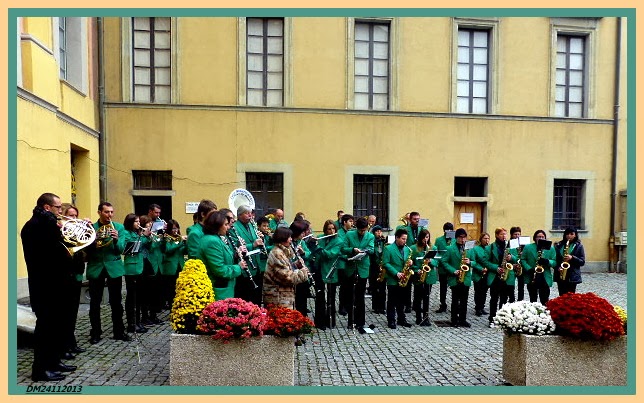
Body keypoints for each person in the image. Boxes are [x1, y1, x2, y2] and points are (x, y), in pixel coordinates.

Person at [21, 193, 76, 381]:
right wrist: (64, 233)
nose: (61, 211)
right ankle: (40, 370)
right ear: (47, 207)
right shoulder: (39, 226)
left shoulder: (44, 225)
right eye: (58, 208)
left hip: (54, 284)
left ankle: (53, 361)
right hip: (46, 286)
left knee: (56, 327)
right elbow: (56, 254)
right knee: (46, 328)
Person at [85, 202, 131, 344]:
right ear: (99, 212)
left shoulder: (119, 227)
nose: (109, 215)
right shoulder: (92, 228)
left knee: (116, 302)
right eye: (106, 212)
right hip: (96, 267)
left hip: (114, 268)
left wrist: (116, 240)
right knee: (95, 303)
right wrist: (95, 240)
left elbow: (122, 249)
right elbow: (87, 250)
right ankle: (95, 333)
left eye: (111, 212)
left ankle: (119, 331)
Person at [60, 204, 87, 358]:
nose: (74, 219)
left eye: (76, 216)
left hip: (77, 275)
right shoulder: (62, 232)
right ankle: (65, 345)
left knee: (73, 313)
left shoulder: (75, 232)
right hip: (66, 277)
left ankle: (71, 343)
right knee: (66, 314)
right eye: (70, 215)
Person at [198, 210, 245, 300]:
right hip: (218, 290)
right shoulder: (212, 241)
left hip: (224, 287)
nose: (228, 227)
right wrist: (238, 267)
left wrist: (235, 255)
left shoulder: (217, 238)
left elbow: (224, 258)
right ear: (217, 226)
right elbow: (219, 270)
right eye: (225, 225)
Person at [340, 217, 375, 333]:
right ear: (357, 228)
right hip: (351, 268)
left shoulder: (370, 236)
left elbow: (372, 249)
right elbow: (343, 249)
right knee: (350, 296)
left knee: (360, 296)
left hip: (363, 268)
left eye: (364, 230)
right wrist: (353, 250)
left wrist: (364, 251)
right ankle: (351, 321)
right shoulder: (349, 234)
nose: (362, 232)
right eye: (360, 230)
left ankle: (360, 322)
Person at [263, 227, 310, 309]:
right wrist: (303, 272)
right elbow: (287, 278)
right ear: (283, 238)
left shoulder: (282, 252)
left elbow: (285, 268)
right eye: (289, 237)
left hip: (282, 297)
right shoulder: (277, 254)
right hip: (277, 298)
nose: (291, 239)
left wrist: (295, 265)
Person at [311, 220, 342, 330]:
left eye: (333, 229)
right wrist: (313, 244)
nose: (331, 231)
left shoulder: (338, 241)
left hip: (330, 271)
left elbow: (331, 254)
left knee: (331, 297)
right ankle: (319, 322)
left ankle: (330, 321)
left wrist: (319, 249)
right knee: (320, 297)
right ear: (325, 230)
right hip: (319, 269)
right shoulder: (320, 238)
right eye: (329, 229)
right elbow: (314, 252)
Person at [381, 228, 414, 329]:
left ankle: (401, 319)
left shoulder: (407, 249)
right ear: (397, 238)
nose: (405, 241)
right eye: (403, 239)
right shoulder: (388, 248)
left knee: (402, 301)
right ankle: (391, 320)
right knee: (392, 301)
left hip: (404, 278)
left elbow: (407, 261)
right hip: (393, 278)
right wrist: (396, 273)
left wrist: (410, 263)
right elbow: (385, 263)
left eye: (406, 239)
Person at [122, 213, 148, 334]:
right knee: (131, 297)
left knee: (139, 297)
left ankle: (138, 321)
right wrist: (143, 236)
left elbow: (146, 246)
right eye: (136, 222)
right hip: (131, 269)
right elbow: (130, 246)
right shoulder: (127, 233)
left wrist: (148, 238)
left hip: (140, 267)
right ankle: (131, 323)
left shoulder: (137, 234)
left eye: (138, 221)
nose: (138, 224)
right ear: (130, 223)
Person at [232, 205, 264, 305]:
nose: (250, 215)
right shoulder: (234, 228)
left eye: (250, 213)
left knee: (257, 298)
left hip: (256, 264)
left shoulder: (251, 225)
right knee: (246, 297)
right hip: (246, 267)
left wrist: (261, 239)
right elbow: (236, 246)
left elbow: (256, 241)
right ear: (240, 215)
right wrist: (253, 244)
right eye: (247, 213)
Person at [486, 227, 517, 328]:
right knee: (494, 298)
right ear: (496, 235)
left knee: (504, 298)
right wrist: (496, 268)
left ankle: (501, 317)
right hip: (495, 275)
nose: (504, 236)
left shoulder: (510, 246)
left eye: (505, 234)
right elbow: (485, 261)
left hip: (506, 275)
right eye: (501, 234)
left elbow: (518, 258)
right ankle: (492, 318)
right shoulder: (491, 247)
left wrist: (511, 257)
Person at [442, 228, 473, 327]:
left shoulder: (469, 249)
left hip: (466, 277)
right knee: (455, 300)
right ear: (456, 238)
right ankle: (454, 320)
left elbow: (476, 261)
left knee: (464, 300)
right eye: (460, 237)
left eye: (464, 238)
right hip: (455, 277)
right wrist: (453, 271)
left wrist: (470, 262)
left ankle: (463, 319)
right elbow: (444, 262)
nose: (463, 240)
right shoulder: (450, 248)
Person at [521, 230, 557, 304]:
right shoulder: (528, 247)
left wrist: (547, 261)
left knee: (545, 299)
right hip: (532, 274)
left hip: (545, 276)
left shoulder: (551, 248)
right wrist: (529, 268)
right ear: (535, 238)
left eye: (542, 237)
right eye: (538, 237)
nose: (540, 238)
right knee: (532, 298)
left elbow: (554, 262)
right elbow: (523, 259)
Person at [411, 229, 437, 326]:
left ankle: (426, 317)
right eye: (424, 237)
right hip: (419, 275)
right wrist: (416, 269)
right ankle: (418, 317)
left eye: (427, 237)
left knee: (427, 296)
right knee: (418, 297)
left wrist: (431, 261)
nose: (425, 240)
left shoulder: (432, 247)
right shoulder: (414, 248)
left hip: (429, 276)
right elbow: (411, 263)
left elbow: (437, 262)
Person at [161, 219, 187, 309]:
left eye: (177, 228)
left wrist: (186, 244)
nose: (175, 230)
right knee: (171, 289)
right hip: (170, 267)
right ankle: (171, 306)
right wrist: (180, 242)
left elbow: (184, 251)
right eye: (173, 229)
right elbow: (169, 250)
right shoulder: (167, 238)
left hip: (180, 266)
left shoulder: (178, 238)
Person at [290, 219, 313, 316]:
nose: (304, 234)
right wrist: (294, 262)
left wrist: (303, 253)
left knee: (302, 297)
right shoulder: (288, 241)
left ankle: (302, 316)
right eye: (302, 232)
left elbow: (309, 254)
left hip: (301, 274)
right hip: (292, 274)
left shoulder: (301, 242)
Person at [554, 228, 585, 296]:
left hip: (572, 275)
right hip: (561, 273)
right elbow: (555, 260)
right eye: (567, 234)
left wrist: (572, 258)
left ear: (575, 235)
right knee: (561, 295)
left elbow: (582, 262)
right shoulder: (559, 245)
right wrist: (557, 267)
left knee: (571, 296)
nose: (569, 236)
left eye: (571, 234)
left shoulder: (579, 246)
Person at [336, 214, 354, 316]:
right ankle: (342, 307)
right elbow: (340, 247)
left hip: (350, 262)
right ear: (344, 222)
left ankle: (348, 305)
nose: (352, 223)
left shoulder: (351, 232)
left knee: (349, 286)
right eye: (350, 221)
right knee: (343, 287)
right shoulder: (339, 233)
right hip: (342, 263)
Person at [434, 222, 454, 313]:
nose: (449, 232)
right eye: (447, 230)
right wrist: (440, 260)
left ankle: (455, 304)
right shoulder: (439, 240)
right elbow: (436, 252)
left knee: (454, 286)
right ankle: (443, 304)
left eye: (451, 230)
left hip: (452, 267)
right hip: (442, 267)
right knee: (443, 288)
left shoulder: (454, 240)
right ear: (444, 230)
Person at [470, 232, 491, 317]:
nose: (487, 240)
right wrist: (481, 269)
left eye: (488, 238)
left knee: (484, 291)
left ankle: (482, 307)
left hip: (487, 273)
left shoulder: (490, 249)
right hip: (478, 273)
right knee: (478, 291)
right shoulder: (475, 249)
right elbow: (473, 261)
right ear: (481, 239)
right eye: (485, 238)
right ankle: (477, 308)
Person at [369, 225, 387, 314]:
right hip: (374, 267)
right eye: (377, 231)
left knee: (383, 288)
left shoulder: (384, 242)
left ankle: (382, 307)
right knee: (375, 287)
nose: (379, 233)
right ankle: (375, 306)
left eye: (380, 231)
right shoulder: (372, 242)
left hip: (382, 267)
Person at [509, 226, 524, 302]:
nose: (517, 236)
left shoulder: (523, 244)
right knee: (511, 285)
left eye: (519, 234)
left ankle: (520, 301)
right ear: (511, 235)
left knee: (521, 286)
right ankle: (511, 300)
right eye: (515, 234)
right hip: (512, 267)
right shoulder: (509, 244)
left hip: (520, 267)